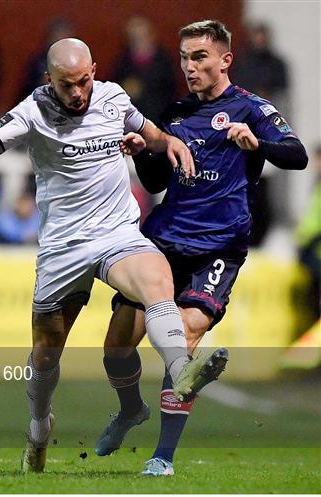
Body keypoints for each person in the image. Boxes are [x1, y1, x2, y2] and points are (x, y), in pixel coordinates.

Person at [0, 37, 222, 473]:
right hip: (63, 248)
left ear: (94, 71)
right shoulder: (33, 110)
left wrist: (165, 142)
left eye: (83, 82)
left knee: (157, 279)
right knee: (45, 354)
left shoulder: (113, 97)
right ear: (49, 80)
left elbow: (146, 129)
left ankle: (182, 370)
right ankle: (40, 425)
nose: (77, 93)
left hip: (117, 233)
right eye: (66, 86)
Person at [95, 20, 308, 476]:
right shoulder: (174, 112)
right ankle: (130, 410)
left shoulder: (253, 109)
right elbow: (156, 181)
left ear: (225, 60)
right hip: (163, 241)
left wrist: (259, 143)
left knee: (187, 338)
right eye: (184, 58)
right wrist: (141, 153)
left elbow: (297, 153)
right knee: (117, 346)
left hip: (220, 246)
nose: (189, 67)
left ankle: (162, 458)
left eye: (200, 58)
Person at [111, 17, 176, 123]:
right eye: (134, 38)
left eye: (142, 37)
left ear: (151, 37)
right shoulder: (122, 62)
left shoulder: (164, 61)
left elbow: (171, 91)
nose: (138, 42)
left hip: (159, 118)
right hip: (130, 120)